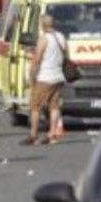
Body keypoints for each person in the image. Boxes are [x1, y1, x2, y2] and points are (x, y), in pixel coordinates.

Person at [23, 14, 66, 145]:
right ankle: (52, 134)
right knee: (54, 106)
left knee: (35, 106)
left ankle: (33, 135)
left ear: (42, 25)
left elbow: (37, 60)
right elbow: (66, 56)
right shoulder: (61, 37)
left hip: (45, 77)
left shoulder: (44, 39)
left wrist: (31, 76)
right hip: (58, 76)